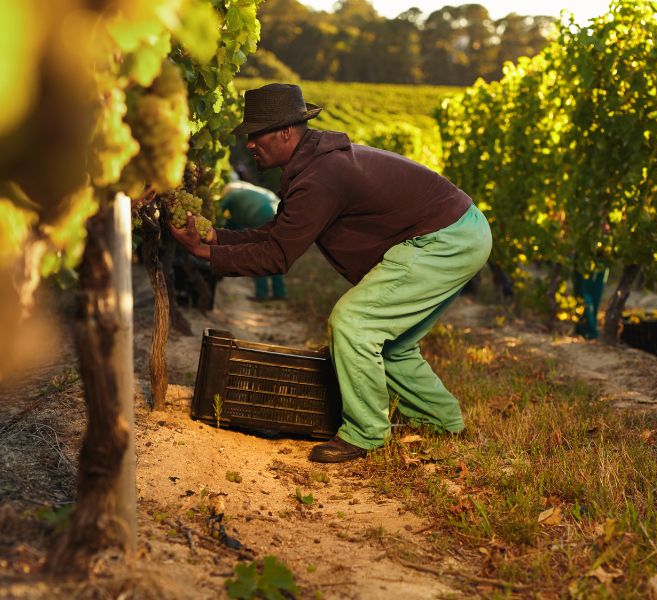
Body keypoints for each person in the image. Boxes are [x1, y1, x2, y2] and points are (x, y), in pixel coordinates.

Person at [168, 83, 492, 463]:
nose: (250, 144)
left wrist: (205, 253)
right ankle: (442, 422)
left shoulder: (321, 174)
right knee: (395, 344)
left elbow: (278, 256)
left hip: (444, 238)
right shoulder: (313, 165)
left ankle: (366, 433)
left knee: (353, 323)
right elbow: (278, 232)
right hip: (460, 231)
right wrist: (216, 237)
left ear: (286, 132)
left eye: (256, 134)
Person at [220, 180, 287, 301]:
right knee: (276, 253)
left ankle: (261, 294)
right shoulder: (252, 192)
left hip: (263, 215)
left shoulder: (232, 195)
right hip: (280, 212)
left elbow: (219, 211)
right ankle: (280, 292)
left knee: (259, 255)